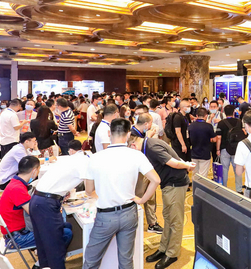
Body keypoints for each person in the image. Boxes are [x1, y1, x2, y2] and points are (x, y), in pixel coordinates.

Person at [83, 118, 161, 269]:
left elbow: (88, 190)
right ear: (128, 134)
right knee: (126, 260)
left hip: (106, 216)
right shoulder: (136, 155)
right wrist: (142, 200)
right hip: (129, 212)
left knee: (91, 261)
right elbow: (156, 180)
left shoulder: (95, 158)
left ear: (109, 133)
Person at [129, 129, 195, 268]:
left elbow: (173, 162)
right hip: (168, 183)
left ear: (133, 145)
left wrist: (187, 166)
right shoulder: (149, 144)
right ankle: (164, 248)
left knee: (175, 220)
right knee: (168, 217)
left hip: (175, 183)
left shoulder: (152, 147)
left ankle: (172, 253)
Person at [29, 140, 83, 269]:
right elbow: (91, 189)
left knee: (44, 245)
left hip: (38, 200)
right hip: (46, 204)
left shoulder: (72, 160)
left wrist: (63, 194)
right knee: (55, 248)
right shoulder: (85, 163)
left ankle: (44, 266)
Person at [0, 156, 41, 252]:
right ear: (34, 171)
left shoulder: (15, 183)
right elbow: (34, 213)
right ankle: (44, 260)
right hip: (16, 238)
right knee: (62, 233)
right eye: (39, 170)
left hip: (15, 232)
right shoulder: (17, 189)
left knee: (62, 228)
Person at [132, 113, 163, 234]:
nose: (151, 126)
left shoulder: (141, 134)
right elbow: (138, 152)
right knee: (138, 197)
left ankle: (152, 223)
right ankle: (134, 224)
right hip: (138, 173)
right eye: (150, 124)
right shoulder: (132, 134)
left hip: (146, 170)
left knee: (150, 196)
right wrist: (147, 138)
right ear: (146, 124)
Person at [215, 104, 243, 193]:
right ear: (234, 112)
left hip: (224, 148)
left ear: (224, 112)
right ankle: (239, 189)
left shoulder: (221, 123)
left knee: (224, 169)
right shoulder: (239, 122)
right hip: (237, 149)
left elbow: (218, 137)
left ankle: (224, 189)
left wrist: (217, 149)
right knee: (237, 169)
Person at [189, 107, 216, 177]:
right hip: (205, 154)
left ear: (196, 115)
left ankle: (195, 184)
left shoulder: (191, 125)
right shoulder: (208, 126)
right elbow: (214, 139)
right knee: (203, 175)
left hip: (194, 153)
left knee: (195, 174)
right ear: (206, 116)